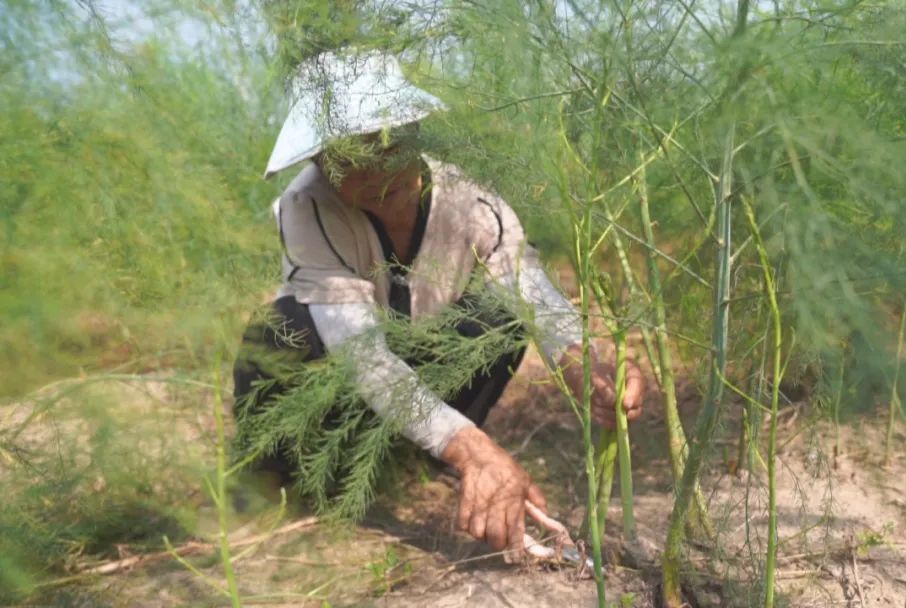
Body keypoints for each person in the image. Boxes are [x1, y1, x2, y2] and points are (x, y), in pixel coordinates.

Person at [232, 50, 644, 561]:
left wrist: (584, 362)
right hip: (339, 380)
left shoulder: (472, 201)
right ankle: (276, 483)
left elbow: (530, 289)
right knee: (280, 330)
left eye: (386, 143)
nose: (373, 167)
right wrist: (475, 450)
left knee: (500, 317)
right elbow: (364, 357)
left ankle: (418, 457)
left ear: (416, 131)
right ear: (320, 161)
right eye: (347, 155)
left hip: (426, 367)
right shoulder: (306, 207)